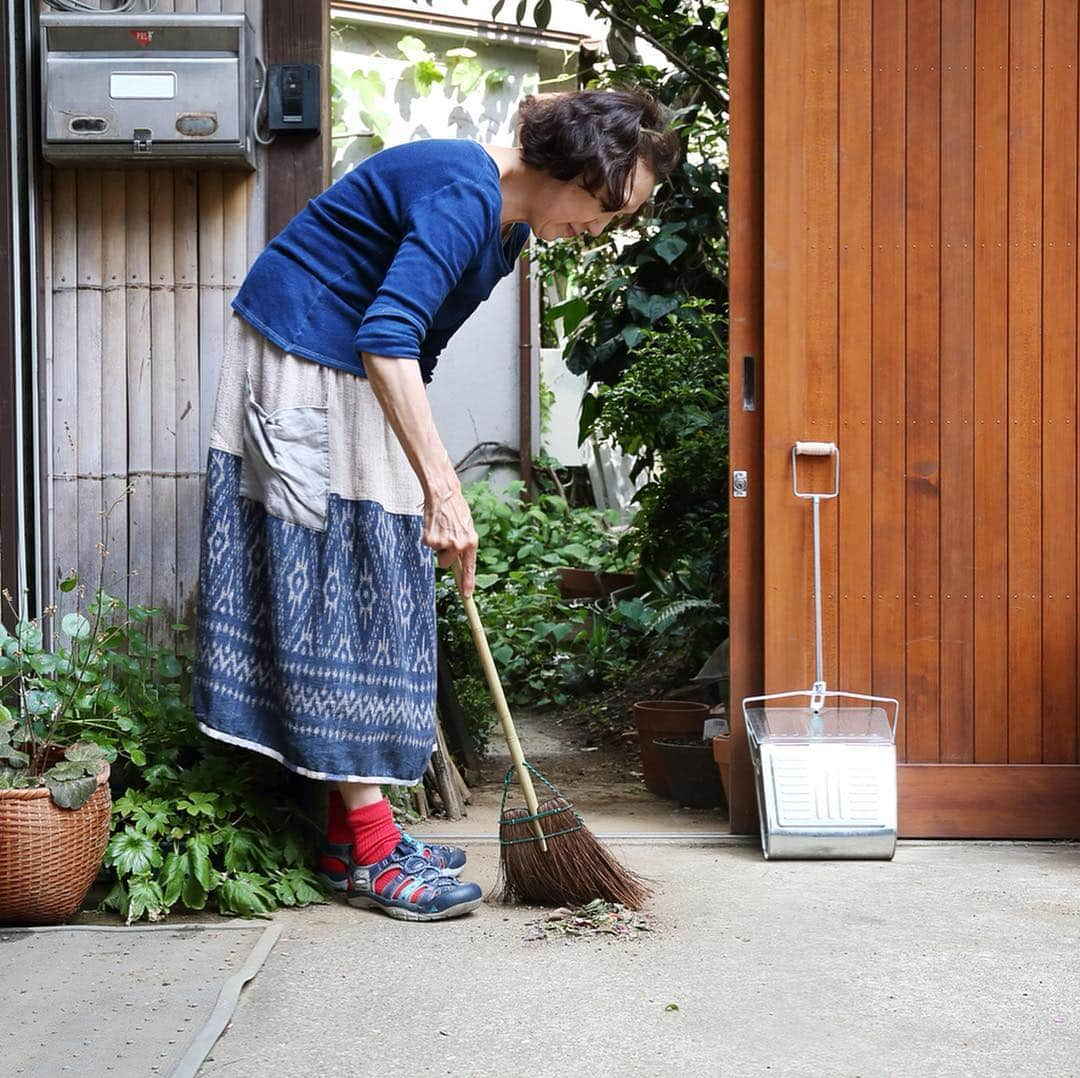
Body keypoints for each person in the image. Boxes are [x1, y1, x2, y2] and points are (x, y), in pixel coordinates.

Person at [192, 88, 681, 922]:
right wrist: (444, 490)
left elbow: (419, 347)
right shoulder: (465, 192)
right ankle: (375, 853)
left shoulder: (508, 232)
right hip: (305, 361)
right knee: (347, 589)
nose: (599, 230)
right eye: (604, 207)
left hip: (354, 368)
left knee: (387, 581)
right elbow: (388, 336)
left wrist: (425, 484)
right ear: (568, 172)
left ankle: (353, 839)